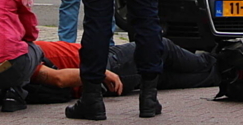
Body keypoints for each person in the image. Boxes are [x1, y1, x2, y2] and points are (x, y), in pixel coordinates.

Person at [32, 39, 218, 96]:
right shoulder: (16, 54)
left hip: (99, 66)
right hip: (105, 65)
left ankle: (228, 74)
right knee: (159, 46)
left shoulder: (10, 47)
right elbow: (58, 78)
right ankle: (220, 60)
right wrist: (100, 73)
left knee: (160, 76)